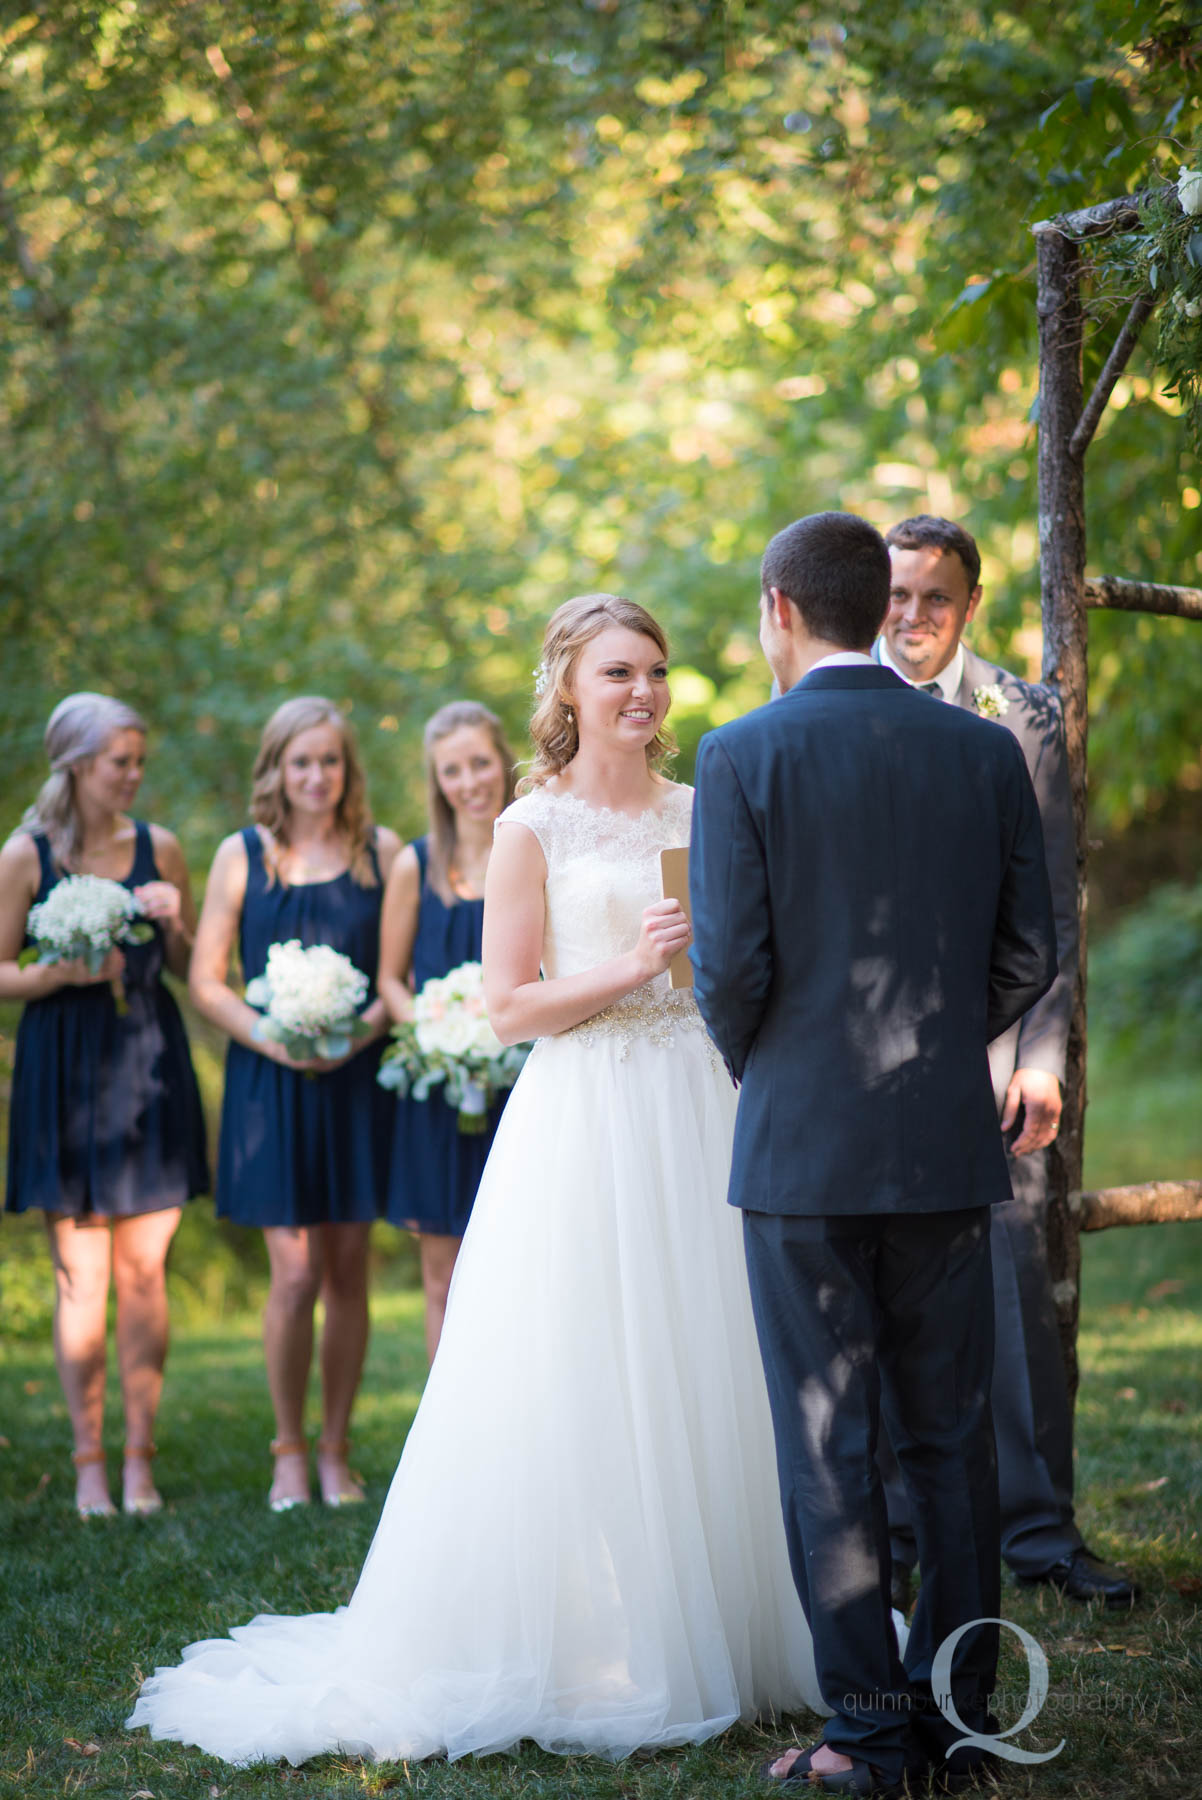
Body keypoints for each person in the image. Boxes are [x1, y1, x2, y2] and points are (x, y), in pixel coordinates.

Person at [127, 594, 823, 1767]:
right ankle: (591, 1633)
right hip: (587, 1109)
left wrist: (714, 975)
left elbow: (735, 968)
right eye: (616, 672)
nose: (642, 691)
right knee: (582, 1361)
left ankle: (740, 1625)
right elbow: (507, 1009)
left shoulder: (702, 807)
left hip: (695, 1102)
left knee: (709, 1353)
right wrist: (626, 964)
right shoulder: (529, 827)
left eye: (654, 670)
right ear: (567, 689)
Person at [690, 512, 1059, 1796]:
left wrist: (772, 1066)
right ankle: (959, 1725)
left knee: (823, 1437)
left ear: (778, 610)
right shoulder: (975, 751)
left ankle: (863, 1734)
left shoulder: (737, 754)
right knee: (948, 1439)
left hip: (797, 1149)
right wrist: (954, 1039)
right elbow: (1033, 947)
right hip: (942, 1144)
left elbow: (728, 968)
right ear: (871, 604)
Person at [875, 513, 1137, 1611]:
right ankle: (891, 1535)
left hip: (996, 1052)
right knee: (885, 1289)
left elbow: (1048, 911)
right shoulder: (838, 708)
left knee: (1013, 1282)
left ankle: (1038, 1530)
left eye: (933, 598)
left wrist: (1038, 1056)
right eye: (893, 596)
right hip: (873, 1053)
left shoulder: (1022, 717)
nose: (911, 617)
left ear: (970, 604)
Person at [188, 697, 400, 1512]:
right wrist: (269, 1035)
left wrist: (361, 1032)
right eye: (300, 761)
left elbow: (392, 978)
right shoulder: (242, 856)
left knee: (348, 1269)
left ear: (348, 770)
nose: (316, 776)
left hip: (354, 1081)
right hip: (269, 1082)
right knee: (294, 1271)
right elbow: (207, 979)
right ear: (275, 767)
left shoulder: (381, 855)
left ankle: (338, 1448)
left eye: (330, 761)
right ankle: (287, 1451)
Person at [1, 693, 208, 1519]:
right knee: (81, 1279)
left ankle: (138, 1460)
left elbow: (195, 969)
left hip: (149, 1061)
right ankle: (88, 1463)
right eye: (120, 760)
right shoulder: (25, 855)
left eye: (138, 762)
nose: (133, 775)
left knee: (144, 1272)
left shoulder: (163, 849)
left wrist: (178, 919)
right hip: (64, 1071)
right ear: (77, 763)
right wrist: (51, 976)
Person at [378, 701, 517, 1360]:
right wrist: (438, 1032)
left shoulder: (532, 846)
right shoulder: (415, 864)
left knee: (523, 1265)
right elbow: (390, 980)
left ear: (503, 760)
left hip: (524, 1088)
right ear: (438, 782)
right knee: (444, 1275)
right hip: (437, 1094)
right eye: (453, 770)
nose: (470, 782)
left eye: (480, 763)